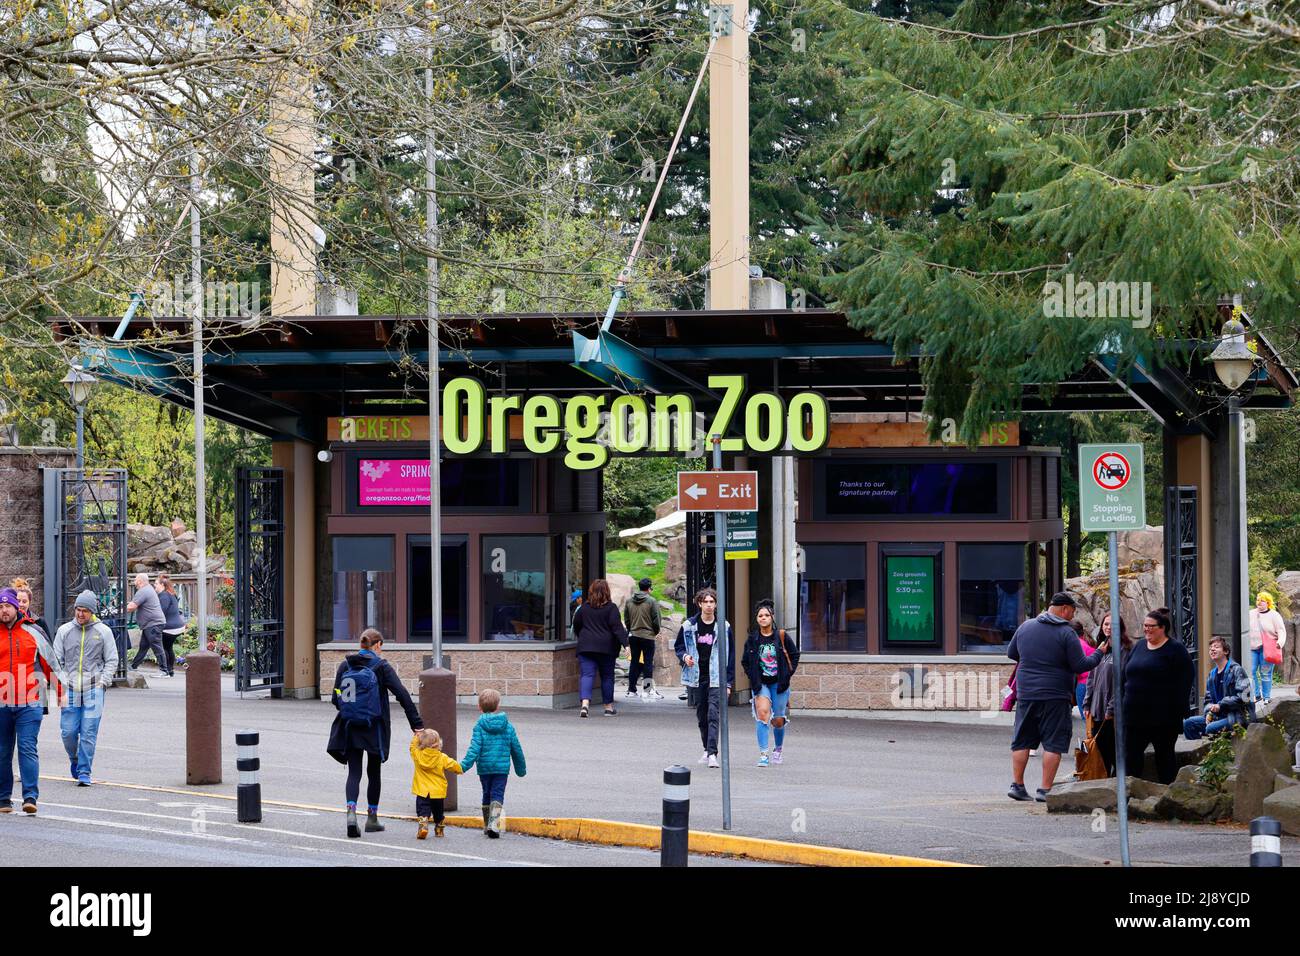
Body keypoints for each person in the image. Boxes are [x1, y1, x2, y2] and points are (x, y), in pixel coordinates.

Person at [1006, 592, 1107, 802]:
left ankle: (1017, 785)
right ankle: (1044, 790)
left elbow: (1012, 653)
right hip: (1055, 695)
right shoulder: (1066, 633)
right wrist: (1099, 653)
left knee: (1022, 739)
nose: (1072, 615)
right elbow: (1080, 665)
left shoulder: (1026, 626)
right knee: (1054, 742)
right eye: (1072, 611)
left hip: (1026, 694)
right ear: (1064, 609)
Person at [326, 628, 424, 838]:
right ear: (377, 645)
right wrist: (416, 724)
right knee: (373, 773)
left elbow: (336, 696)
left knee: (354, 772)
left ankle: (351, 813)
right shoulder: (382, 667)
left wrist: (348, 707)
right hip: (374, 728)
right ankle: (372, 818)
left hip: (350, 726)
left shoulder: (345, 665)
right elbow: (402, 695)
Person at [50, 590, 118, 786]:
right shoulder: (64, 631)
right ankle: (75, 759)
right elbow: (56, 661)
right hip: (70, 688)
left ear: (92, 612)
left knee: (88, 731)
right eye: (78, 610)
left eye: (85, 611)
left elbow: (112, 660)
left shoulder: (103, 631)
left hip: (93, 688)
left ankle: (84, 772)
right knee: (68, 732)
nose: (80, 614)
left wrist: (103, 682)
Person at [0, 587, 58, 814]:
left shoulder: (34, 631)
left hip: (29, 701)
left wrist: (64, 692)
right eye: (0, 607)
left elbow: (51, 663)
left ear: (16, 607)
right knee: (3, 751)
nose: (4, 610)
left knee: (26, 748)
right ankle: (4, 798)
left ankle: (30, 797)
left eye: (7, 606)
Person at [1123, 608, 1195, 784]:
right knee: (1131, 757)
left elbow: (1186, 680)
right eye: (1144, 626)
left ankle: (1166, 796)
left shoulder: (1175, 650)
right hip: (1134, 715)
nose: (1146, 629)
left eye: (1150, 626)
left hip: (1163, 718)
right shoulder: (1139, 646)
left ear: (1162, 627)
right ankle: (1131, 796)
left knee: (1164, 758)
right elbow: (1125, 673)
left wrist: (1178, 709)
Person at [674, 587, 735, 769]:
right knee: (701, 716)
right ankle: (707, 749)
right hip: (697, 677)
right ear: (699, 604)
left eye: (712, 602)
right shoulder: (689, 626)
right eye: (705, 602)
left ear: (716, 604)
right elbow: (679, 647)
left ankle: (713, 753)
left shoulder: (723, 627)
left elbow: (730, 655)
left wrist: (729, 682)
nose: (709, 605)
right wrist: (685, 657)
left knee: (713, 714)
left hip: (716, 678)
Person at [459, 688, 526, 838]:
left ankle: (486, 824)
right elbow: (516, 748)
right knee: (497, 794)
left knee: (487, 793)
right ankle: (494, 825)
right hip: (502, 769)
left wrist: (463, 766)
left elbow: (474, 749)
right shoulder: (508, 726)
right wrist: (520, 768)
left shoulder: (479, 726)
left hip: (484, 768)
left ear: (479, 707)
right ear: (497, 706)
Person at [741, 599, 800, 767]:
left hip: (779, 683)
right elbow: (745, 661)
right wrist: (753, 677)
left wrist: (788, 674)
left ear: (772, 617)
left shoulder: (781, 636)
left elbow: (795, 655)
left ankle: (778, 749)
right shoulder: (752, 639)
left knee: (778, 720)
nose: (763, 618)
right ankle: (764, 754)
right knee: (763, 714)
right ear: (757, 619)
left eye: (766, 615)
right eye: (760, 615)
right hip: (761, 684)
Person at [1082, 612, 1132, 776]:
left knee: (1113, 750)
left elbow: (1121, 681)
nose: (1109, 627)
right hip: (1097, 707)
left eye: (1113, 624)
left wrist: (1112, 708)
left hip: (1113, 710)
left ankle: (1115, 785)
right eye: (1106, 624)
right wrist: (1087, 703)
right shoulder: (1101, 648)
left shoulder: (1124, 650)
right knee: (1099, 749)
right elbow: (1091, 677)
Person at [572, 578, 628, 718]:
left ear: (591, 592)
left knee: (587, 675)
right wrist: (626, 644)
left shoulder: (584, 608)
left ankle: (585, 705)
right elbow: (617, 628)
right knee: (607, 677)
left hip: (586, 647)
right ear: (607, 592)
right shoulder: (611, 608)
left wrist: (583, 637)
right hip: (606, 648)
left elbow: (577, 625)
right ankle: (608, 708)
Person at [1183, 636, 1254, 740]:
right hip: (1217, 716)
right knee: (1188, 724)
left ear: (1226, 651)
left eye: (1216, 647)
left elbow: (1245, 697)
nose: (1212, 649)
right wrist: (1210, 711)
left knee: (1210, 728)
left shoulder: (1238, 670)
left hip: (1236, 716)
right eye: (1210, 647)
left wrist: (1220, 705)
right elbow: (1207, 701)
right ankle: (1204, 753)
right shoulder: (1212, 675)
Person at [410, 728, 462, 839]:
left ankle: (423, 823)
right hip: (437, 791)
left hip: (422, 790)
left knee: (423, 809)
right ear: (438, 744)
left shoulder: (417, 755)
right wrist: (460, 769)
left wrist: (416, 736)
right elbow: (453, 765)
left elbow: (412, 747)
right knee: (438, 812)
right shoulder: (441, 757)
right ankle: (439, 828)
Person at [624, 577, 663, 701]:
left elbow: (627, 620)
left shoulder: (629, 601)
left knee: (634, 662)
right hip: (647, 636)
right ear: (649, 588)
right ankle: (647, 690)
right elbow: (656, 619)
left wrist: (631, 630)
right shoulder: (651, 601)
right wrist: (655, 631)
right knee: (647, 662)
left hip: (634, 636)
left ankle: (631, 690)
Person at [1248, 591, 1287, 705]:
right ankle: (1257, 694)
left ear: (1268, 603)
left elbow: (1281, 630)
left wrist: (1280, 642)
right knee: (1250, 671)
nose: (1259, 602)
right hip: (1252, 647)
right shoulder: (1251, 613)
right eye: (1258, 600)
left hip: (1267, 649)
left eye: (1262, 601)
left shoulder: (1274, 615)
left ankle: (1266, 697)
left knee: (1265, 673)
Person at [126, 572, 169, 675]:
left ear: (140, 581)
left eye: (135, 580)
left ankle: (164, 671)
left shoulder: (143, 591)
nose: (134, 582)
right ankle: (133, 666)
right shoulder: (148, 589)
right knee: (144, 646)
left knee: (157, 646)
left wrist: (119, 610)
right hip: (151, 624)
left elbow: (132, 607)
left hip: (153, 624)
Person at [156, 572, 187, 676]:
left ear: (162, 585)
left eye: (156, 583)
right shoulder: (171, 593)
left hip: (169, 627)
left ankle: (166, 670)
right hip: (178, 626)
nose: (154, 585)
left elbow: (161, 612)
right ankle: (170, 670)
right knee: (168, 647)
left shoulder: (164, 596)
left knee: (163, 648)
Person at [1070, 619, 1094, 721]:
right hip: (1093, 682)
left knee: (1087, 720)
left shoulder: (1074, 645)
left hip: (1083, 684)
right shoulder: (1088, 645)